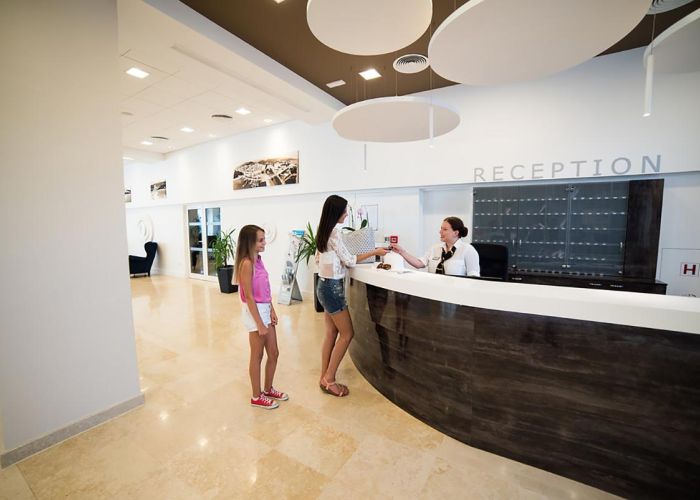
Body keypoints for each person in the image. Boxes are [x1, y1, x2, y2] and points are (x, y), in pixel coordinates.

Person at [315, 195, 389, 397]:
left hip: (323, 286)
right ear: (336, 212)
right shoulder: (335, 233)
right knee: (347, 334)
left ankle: (324, 377)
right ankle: (330, 380)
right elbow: (349, 260)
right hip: (333, 289)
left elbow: (320, 261)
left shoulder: (323, 232)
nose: (347, 214)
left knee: (331, 333)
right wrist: (374, 251)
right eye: (344, 211)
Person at [235, 224, 288, 410]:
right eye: (261, 240)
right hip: (254, 313)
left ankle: (268, 389)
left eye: (264, 239)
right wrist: (259, 323)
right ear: (250, 242)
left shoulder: (258, 260)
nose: (264, 243)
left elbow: (265, 289)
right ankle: (256, 396)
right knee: (257, 356)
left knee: (274, 353)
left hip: (265, 309)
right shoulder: (246, 264)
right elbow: (249, 297)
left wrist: (272, 310)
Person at [391, 216, 480, 277]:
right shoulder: (435, 248)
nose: (440, 231)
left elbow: (473, 277)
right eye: (441, 228)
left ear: (456, 233)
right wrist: (401, 252)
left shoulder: (468, 250)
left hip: (455, 294)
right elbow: (419, 264)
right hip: (434, 292)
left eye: (445, 229)